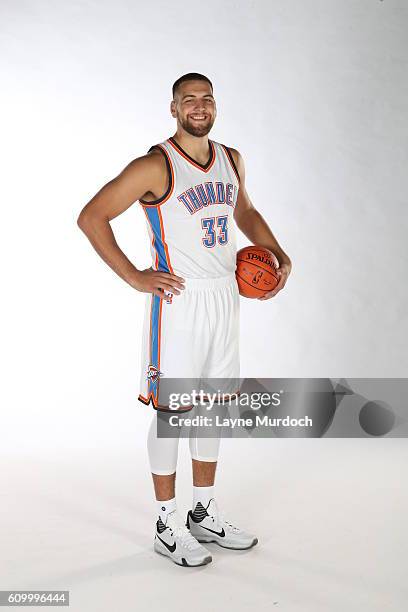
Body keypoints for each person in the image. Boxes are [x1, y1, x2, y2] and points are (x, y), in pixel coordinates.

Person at [77, 72, 292, 567]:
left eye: (207, 98)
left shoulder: (232, 159)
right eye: (188, 99)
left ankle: (203, 511)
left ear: (215, 106)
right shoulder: (155, 166)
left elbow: (248, 213)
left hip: (225, 296)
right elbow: (92, 216)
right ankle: (165, 521)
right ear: (173, 109)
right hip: (179, 302)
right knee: (173, 413)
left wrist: (279, 254)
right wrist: (134, 275)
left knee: (213, 409)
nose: (199, 106)